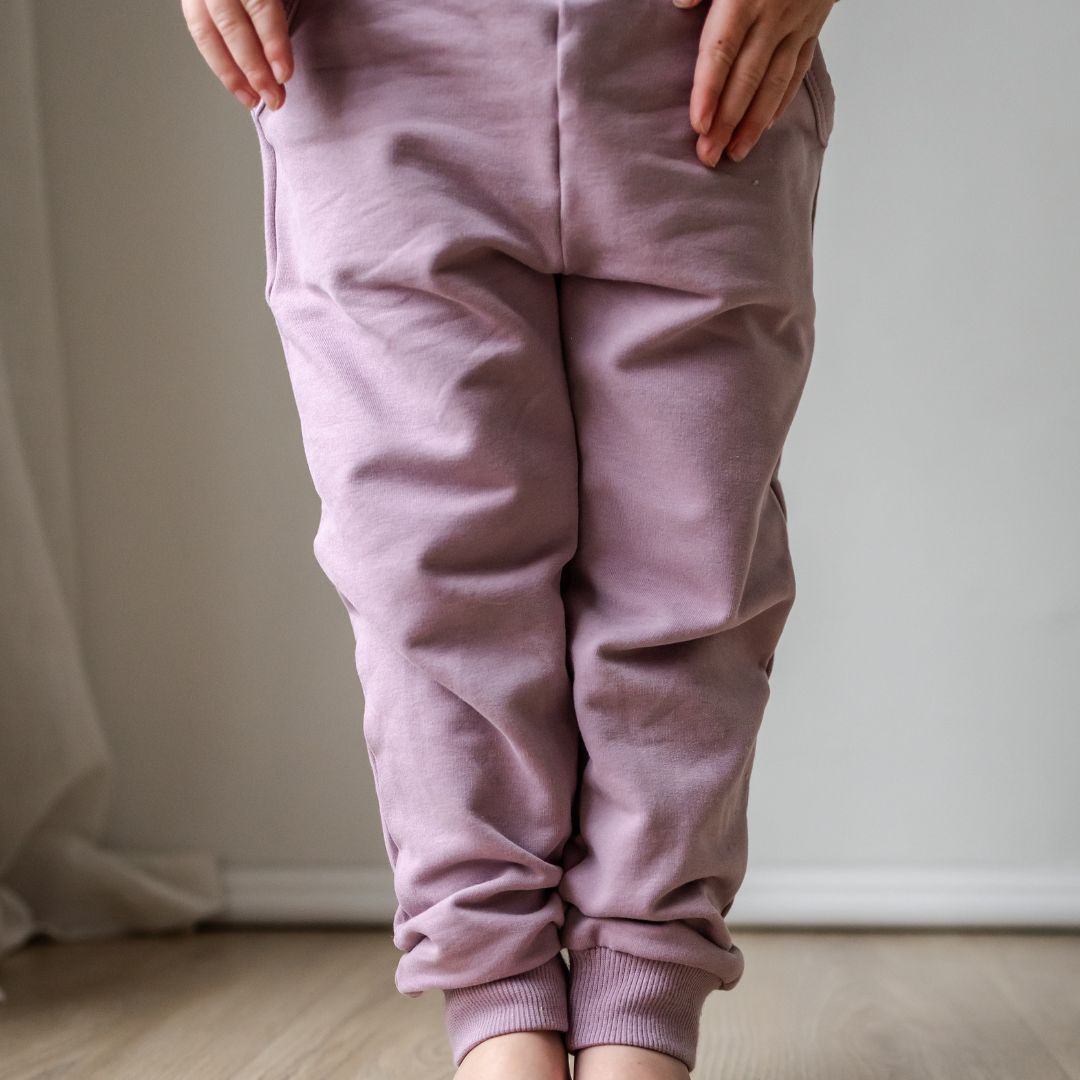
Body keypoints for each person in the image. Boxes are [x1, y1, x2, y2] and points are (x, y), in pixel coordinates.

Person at [183, 1, 837, 1076]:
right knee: (426, 571)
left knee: (691, 562)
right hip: (377, 64)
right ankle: (502, 1025)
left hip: (694, 71)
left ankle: (639, 1015)